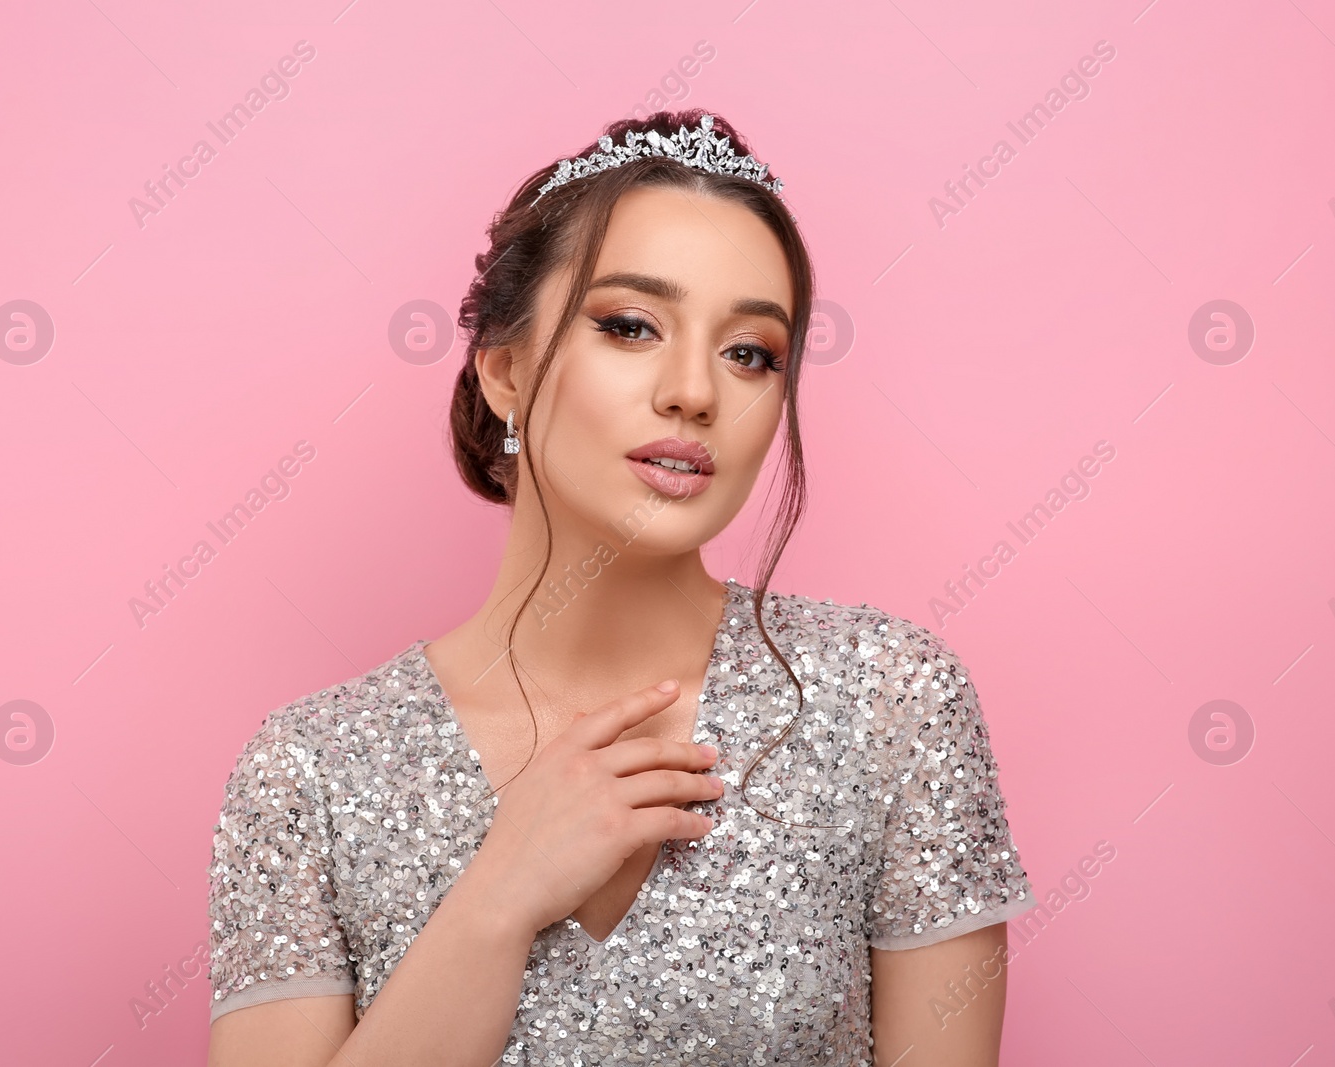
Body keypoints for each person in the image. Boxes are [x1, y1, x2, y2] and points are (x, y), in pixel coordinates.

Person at [205, 110, 1034, 1067]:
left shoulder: (889, 703)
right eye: (631, 325)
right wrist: (498, 897)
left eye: (751, 350)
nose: (696, 391)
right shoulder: (310, 772)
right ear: (505, 372)